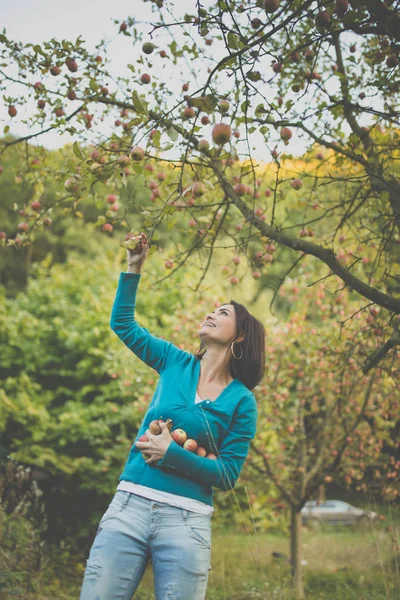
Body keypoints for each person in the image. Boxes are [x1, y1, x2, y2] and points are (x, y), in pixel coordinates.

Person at [79, 232, 266, 600]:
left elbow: (227, 475)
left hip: (187, 522)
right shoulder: (174, 361)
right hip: (129, 505)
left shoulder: (242, 402)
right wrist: (134, 268)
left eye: (223, 313)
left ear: (240, 338)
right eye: (213, 309)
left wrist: (172, 454)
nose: (212, 313)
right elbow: (123, 325)